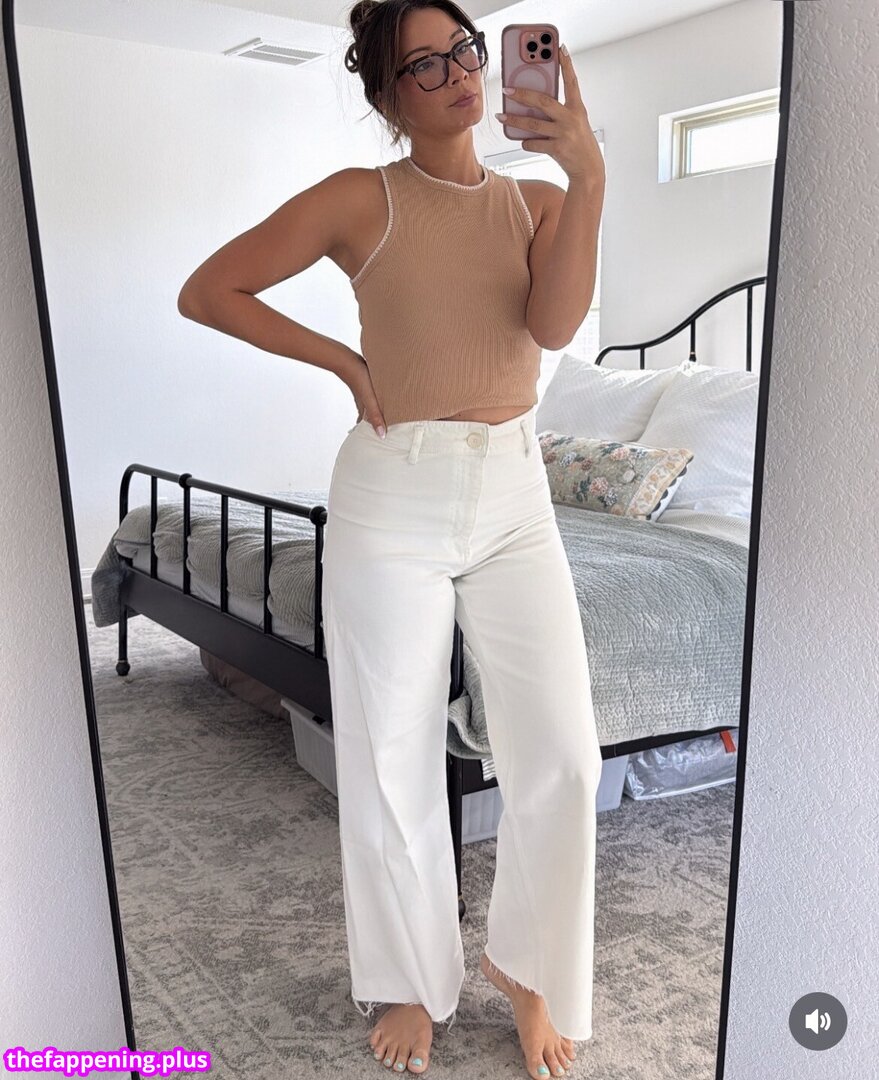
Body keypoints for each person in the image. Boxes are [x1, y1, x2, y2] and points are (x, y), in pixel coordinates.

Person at [178, 2, 606, 1076]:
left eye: (464, 49)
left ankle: (529, 968)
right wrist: (342, 361)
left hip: (515, 491)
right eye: (424, 65)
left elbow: (553, 329)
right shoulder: (356, 200)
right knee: (389, 752)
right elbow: (209, 291)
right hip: (391, 495)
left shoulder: (540, 201)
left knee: (564, 754)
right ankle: (411, 978)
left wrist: (591, 171)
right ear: (385, 96)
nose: (458, 72)